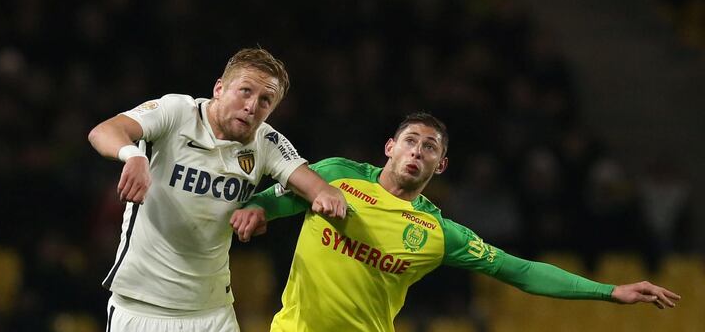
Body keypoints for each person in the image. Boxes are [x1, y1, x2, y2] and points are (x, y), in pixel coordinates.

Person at [230, 112, 681, 332]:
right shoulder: (333, 176)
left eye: (429, 148)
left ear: (440, 165)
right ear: (390, 147)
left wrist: (609, 291)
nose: (417, 152)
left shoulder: (438, 234)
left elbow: (519, 270)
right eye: (410, 141)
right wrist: (258, 210)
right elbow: (277, 200)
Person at [88, 47, 347, 332]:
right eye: (245, 91)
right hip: (141, 305)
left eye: (265, 100)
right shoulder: (177, 112)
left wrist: (272, 205)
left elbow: (316, 188)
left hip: (212, 312)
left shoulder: (266, 141)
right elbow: (103, 131)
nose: (252, 106)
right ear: (219, 88)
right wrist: (133, 155)